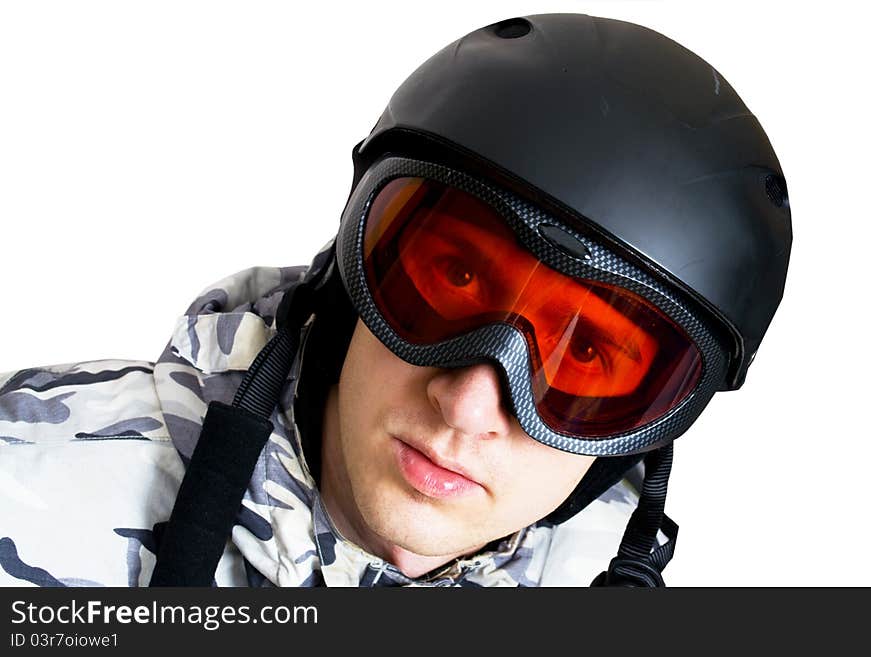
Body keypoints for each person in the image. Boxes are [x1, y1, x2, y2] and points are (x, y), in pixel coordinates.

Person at [0, 13, 791, 587]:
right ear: (355, 262)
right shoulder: (29, 486)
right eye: (454, 279)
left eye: (584, 353)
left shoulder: (598, 586)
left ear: (648, 429)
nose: (469, 405)